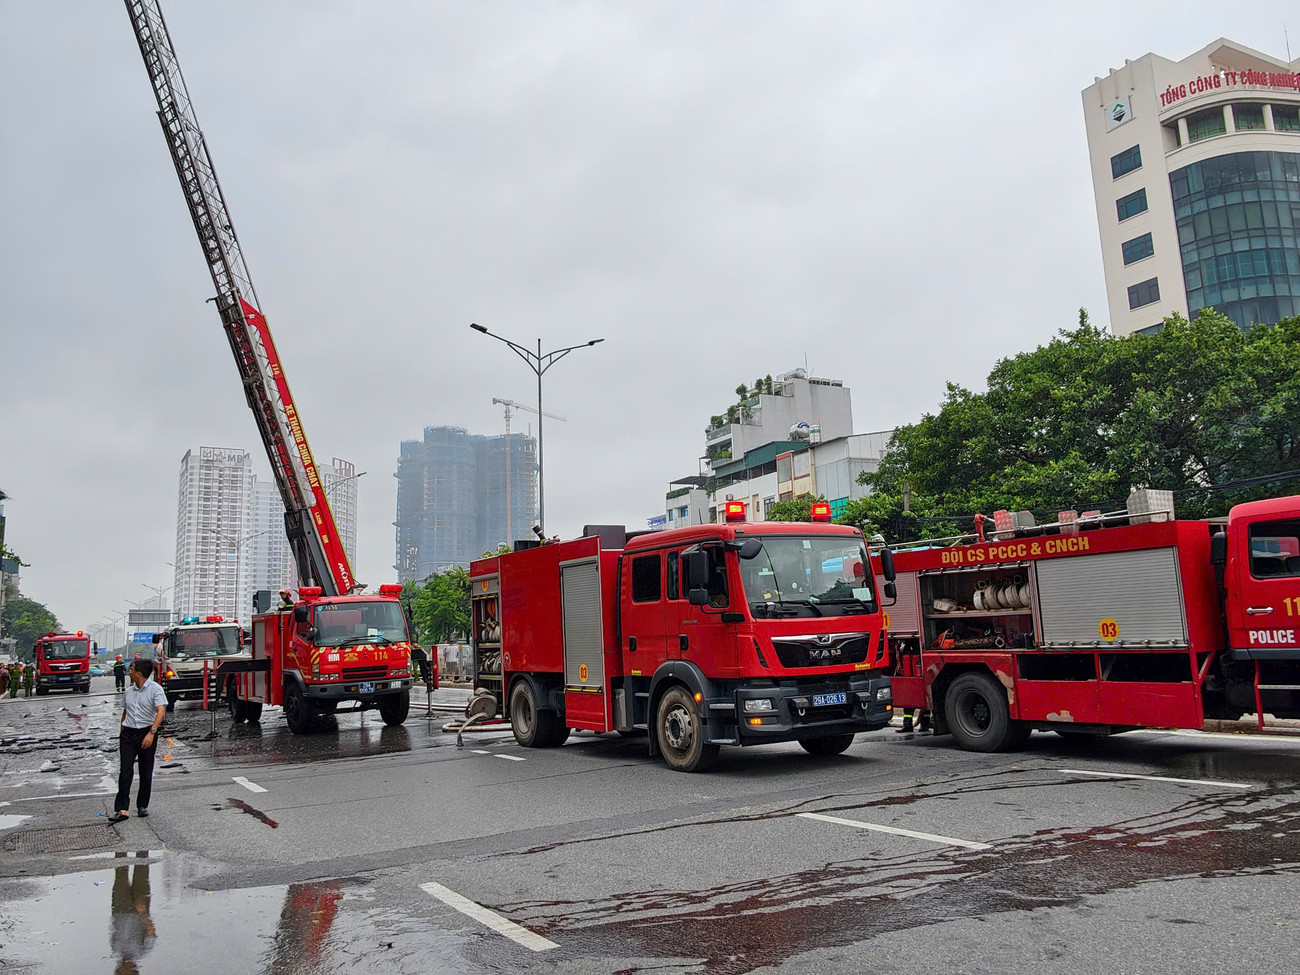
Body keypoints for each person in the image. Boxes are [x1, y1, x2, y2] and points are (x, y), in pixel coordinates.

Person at [108, 659, 168, 824]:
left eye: (132, 669)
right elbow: (125, 712)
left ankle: (142, 805)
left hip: (146, 732)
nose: (129, 672)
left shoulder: (155, 689)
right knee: (125, 770)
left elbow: (160, 711)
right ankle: (122, 809)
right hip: (128, 734)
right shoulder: (129, 691)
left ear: (139, 673)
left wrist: (151, 733)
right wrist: (122, 731)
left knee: (145, 769)